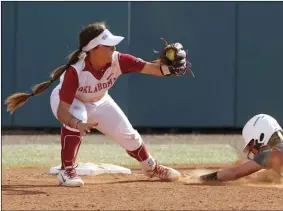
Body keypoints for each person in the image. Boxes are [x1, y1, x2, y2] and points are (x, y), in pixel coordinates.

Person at [4, 22, 191, 187]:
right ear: (93, 49)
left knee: (130, 136)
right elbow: (62, 112)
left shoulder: (119, 60)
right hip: (69, 102)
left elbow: (154, 69)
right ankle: (66, 170)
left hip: (100, 100)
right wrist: (77, 124)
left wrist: (169, 67)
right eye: (108, 45)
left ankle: (151, 168)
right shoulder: (75, 72)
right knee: (78, 116)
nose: (113, 47)